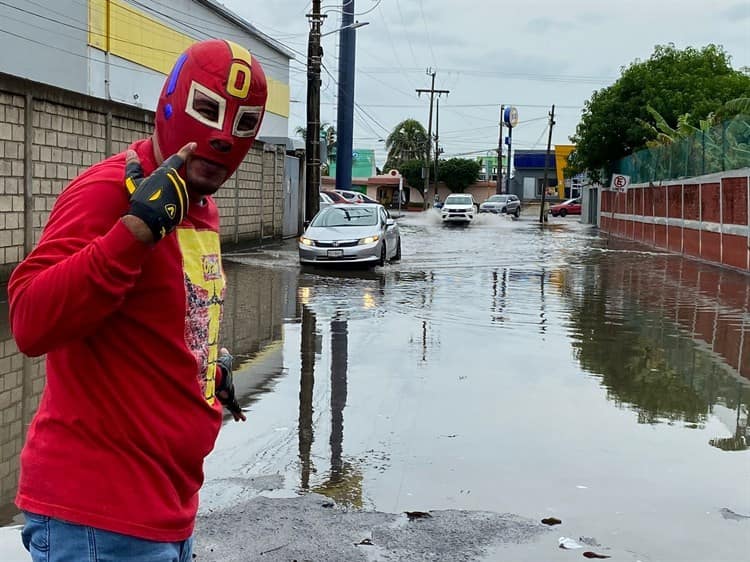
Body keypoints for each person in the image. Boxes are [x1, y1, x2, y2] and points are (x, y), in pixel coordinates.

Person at [7, 39, 268, 560]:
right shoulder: (110, 191)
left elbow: (165, 316)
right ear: (170, 103)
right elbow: (28, 319)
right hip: (98, 519)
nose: (222, 141)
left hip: (166, 509)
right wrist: (136, 229)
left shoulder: (201, 205)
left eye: (243, 126)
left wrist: (201, 373)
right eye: (209, 111)